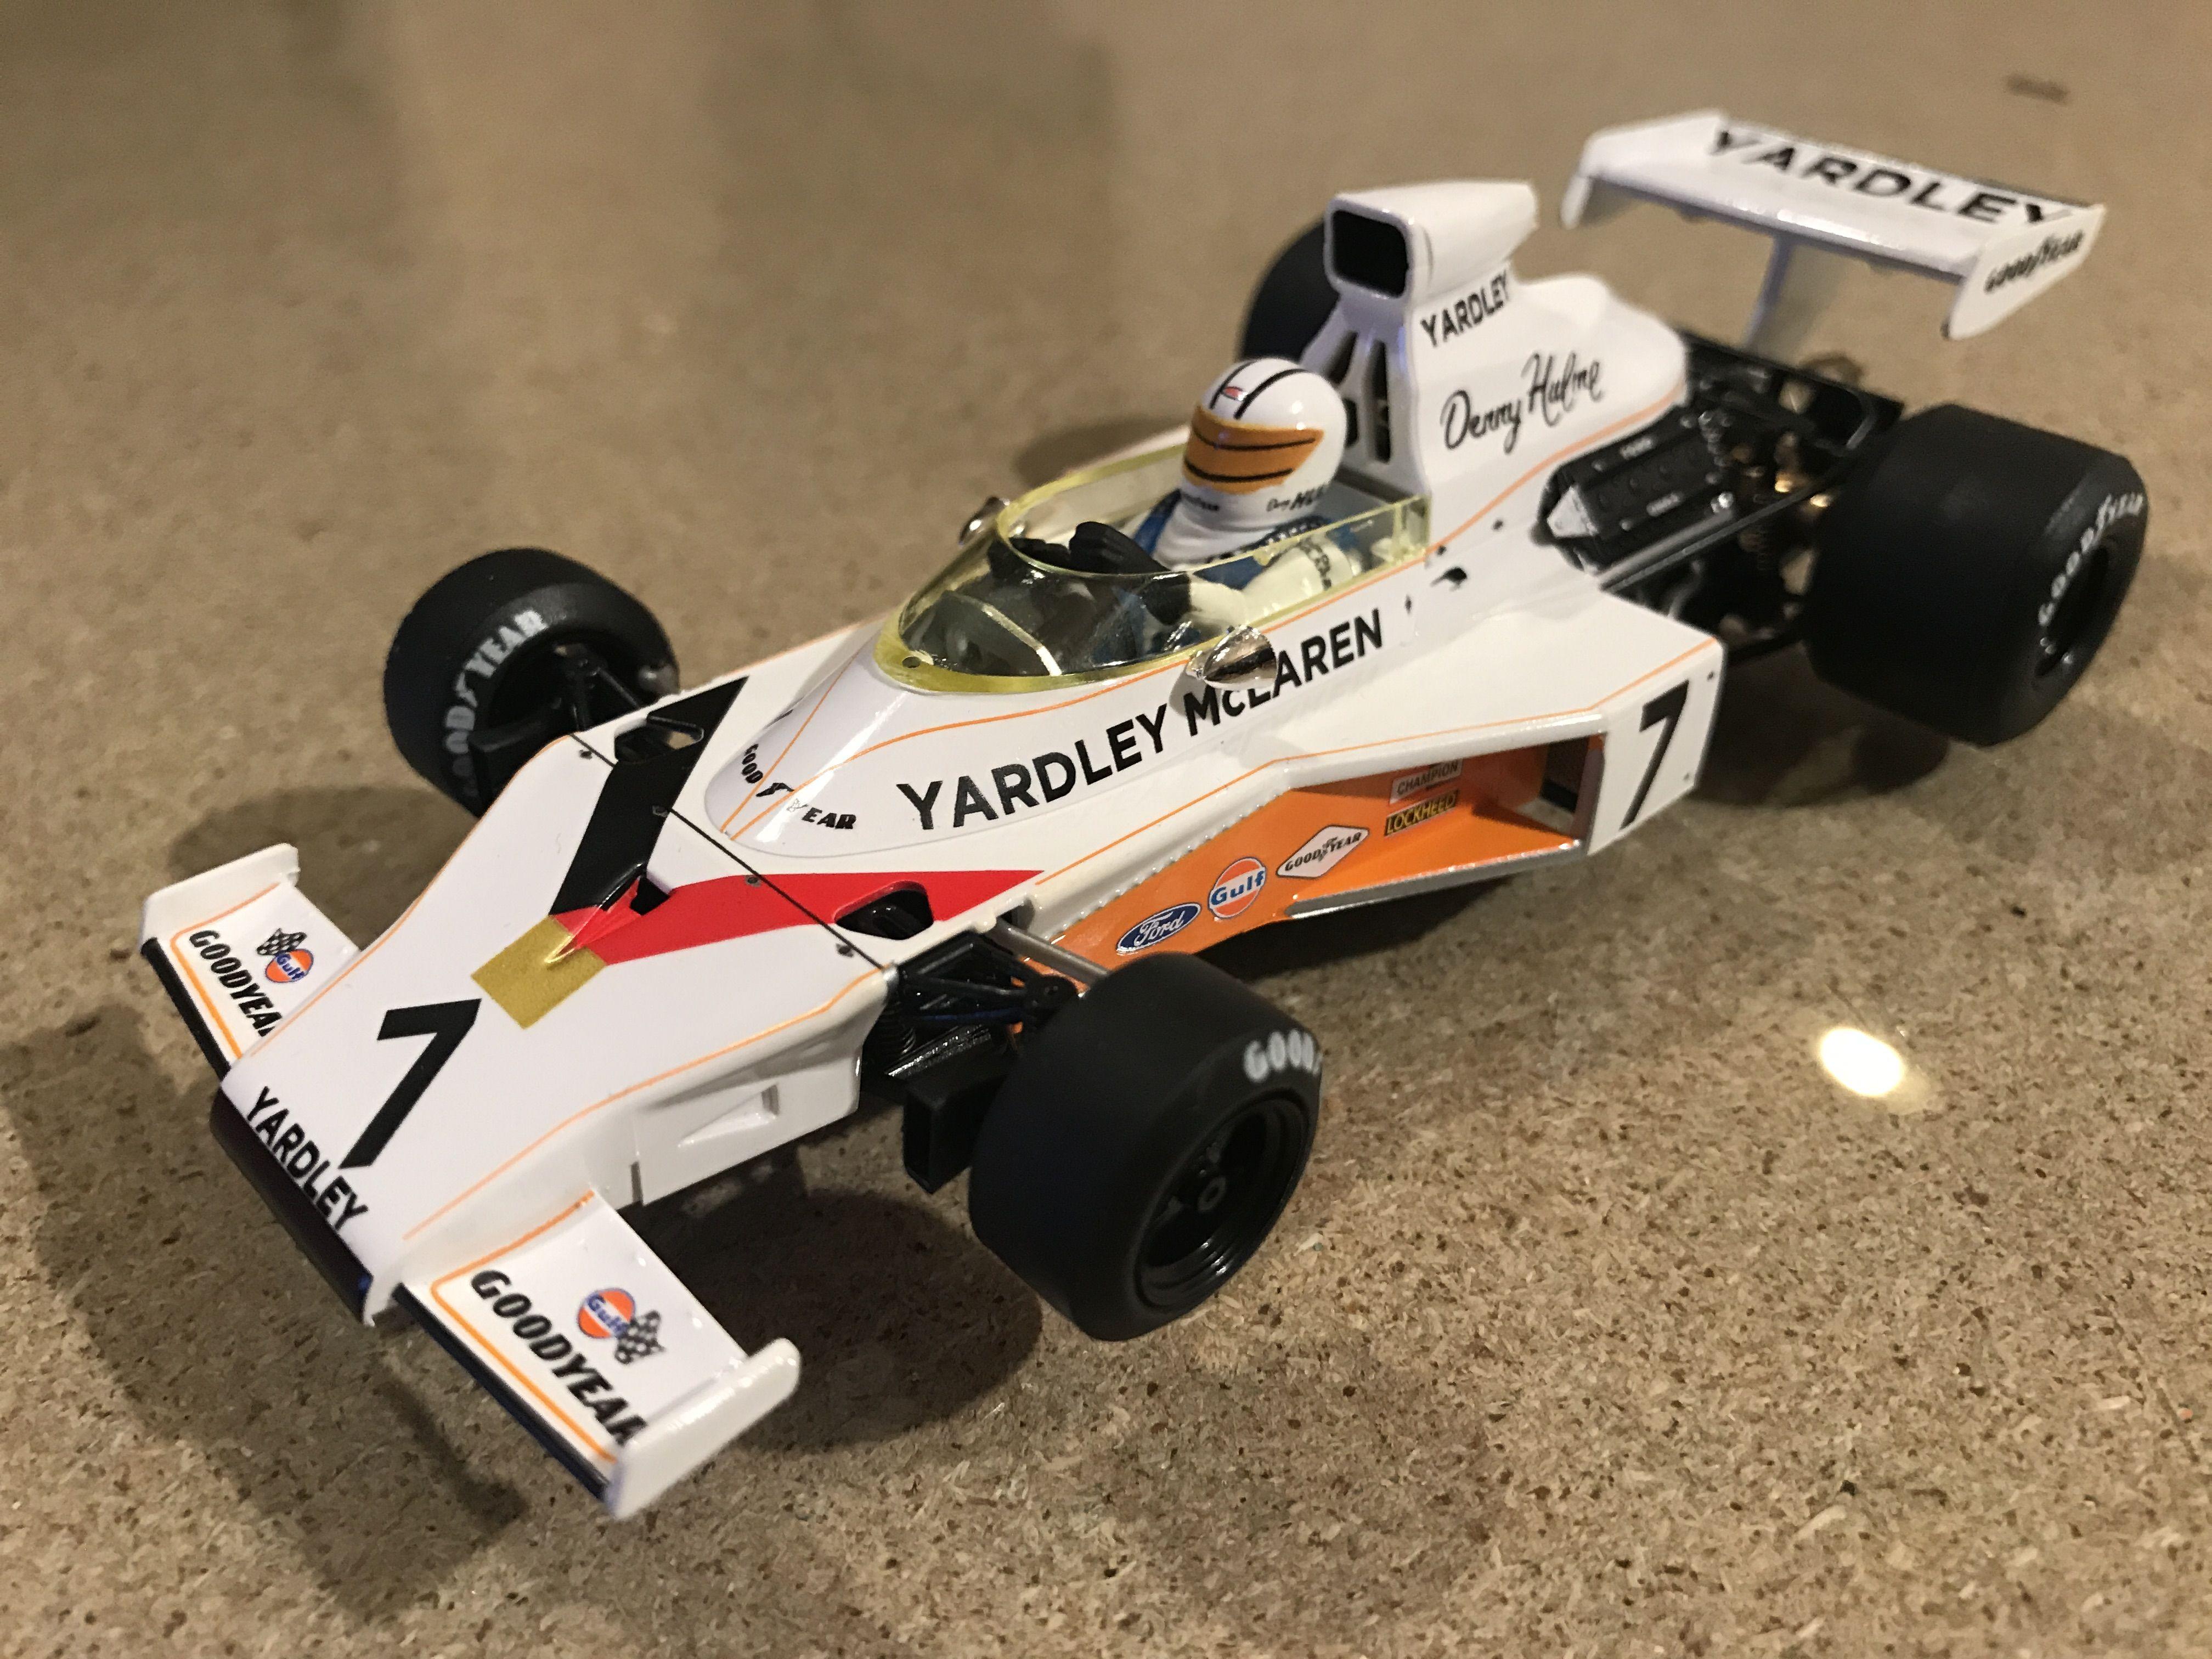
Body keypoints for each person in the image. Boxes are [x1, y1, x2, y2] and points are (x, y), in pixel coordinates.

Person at [1127, 357, 1349, 585]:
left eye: (1251, 454)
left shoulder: (1306, 555)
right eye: (1206, 443)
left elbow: (1242, 605)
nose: (1214, 467)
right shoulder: (1169, 511)